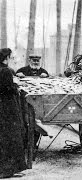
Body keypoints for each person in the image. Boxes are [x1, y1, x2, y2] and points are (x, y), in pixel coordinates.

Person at [0, 48, 27, 178]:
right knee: (10, 137)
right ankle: (6, 171)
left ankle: (8, 170)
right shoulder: (5, 71)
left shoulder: (3, 69)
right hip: (7, 108)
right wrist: (15, 85)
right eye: (11, 58)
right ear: (6, 58)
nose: (12, 60)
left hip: (3, 108)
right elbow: (6, 89)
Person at [16, 55, 49, 149]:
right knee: (24, 123)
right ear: (29, 60)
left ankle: (33, 145)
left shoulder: (43, 72)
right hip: (24, 102)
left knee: (37, 124)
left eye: (37, 61)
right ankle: (25, 145)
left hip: (38, 103)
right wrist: (18, 75)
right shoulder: (22, 70)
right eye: (33, 60)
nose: (35, 62)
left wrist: (46, 77)